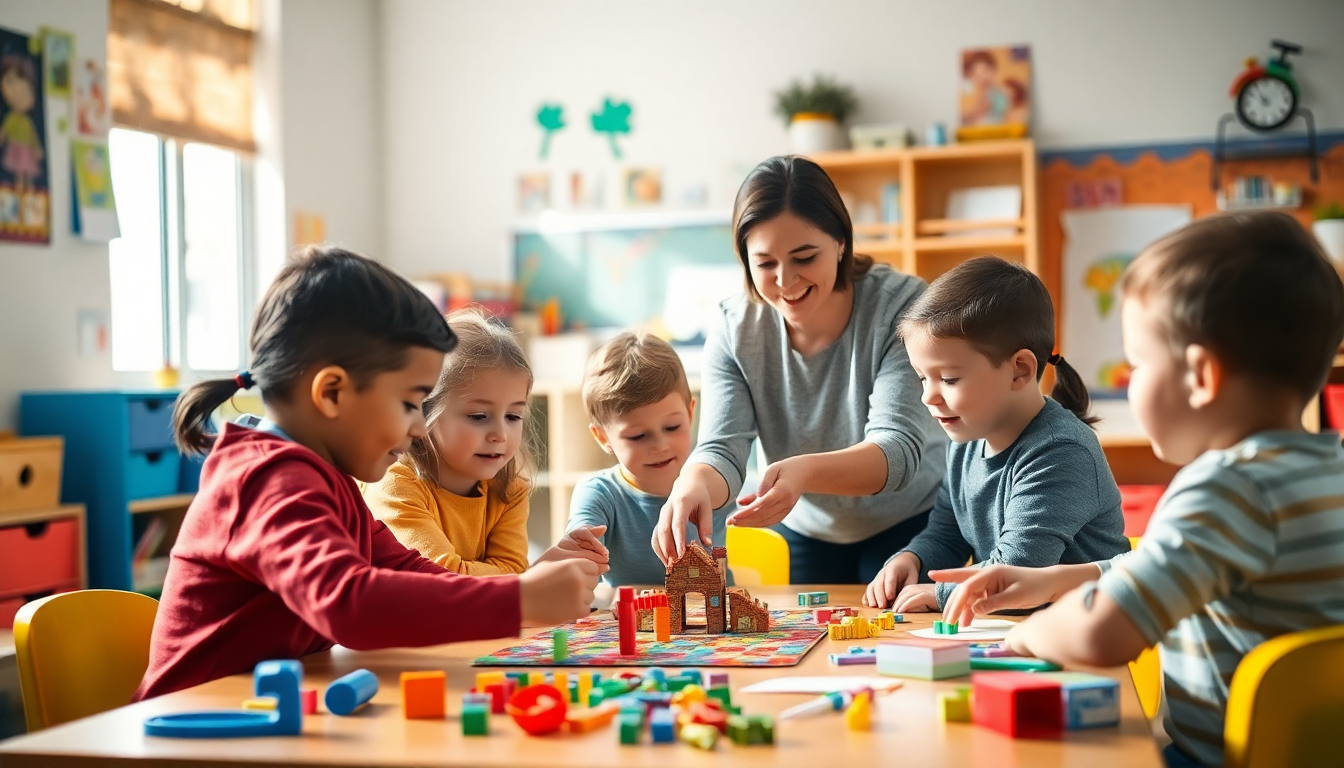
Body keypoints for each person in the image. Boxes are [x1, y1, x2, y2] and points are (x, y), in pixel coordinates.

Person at [933, 212, 1344, 768]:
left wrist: (1032, 636)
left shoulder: (1225, 490)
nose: (1129, 381)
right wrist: (1063, 578)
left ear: (1201, 376)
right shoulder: (1323, 471)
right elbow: (1164, 563)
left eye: (1138, 364)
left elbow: (1104, 635)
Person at [136, 247, 598, 701]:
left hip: (258, 716)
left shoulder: (326, 479)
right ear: (333, 393)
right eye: (409, 403)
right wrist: (519, 601)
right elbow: (348, 602)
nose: (419, 426)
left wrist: (526, 584)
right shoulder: (265, 479)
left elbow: (412, 572)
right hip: (193, 728)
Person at [653, 155, 946, 584]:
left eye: (805, 257)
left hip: (911, 522)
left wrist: (802, 472)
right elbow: (723, 450)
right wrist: (693, 483)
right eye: (766, 263)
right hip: (806, 525)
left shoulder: (901, 307)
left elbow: (897, 452)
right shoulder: (735, 328)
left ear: (841, 242)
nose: (786, 281)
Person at [864, 256, 1128, 612]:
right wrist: (913, 559)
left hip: (1084, 638)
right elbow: (948, 532)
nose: (928, 396)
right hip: (1017, 631)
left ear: (1019, 370)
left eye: (949, 379)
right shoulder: (966, 438)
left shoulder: (1061, 451)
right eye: (922, 377)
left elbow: (1019, 569)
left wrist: (937, 595)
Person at [364, 307, 607, 575]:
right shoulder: (395, 485)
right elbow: (443, 579)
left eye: (514, 416)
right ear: (424, 414)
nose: (500, 434)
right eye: (479, 416)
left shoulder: (509, 488)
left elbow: (511, 570)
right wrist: (534, 575)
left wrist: (536, 572)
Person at [568, 332, 700, 585]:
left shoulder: (711, 481)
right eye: (638, 436)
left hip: (710, 617)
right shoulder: (599, 493)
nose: (660, 445)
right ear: (603, 437)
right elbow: (577, 557)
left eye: (672, 427)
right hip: (631, 619)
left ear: (690, 414)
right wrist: (578, 558)